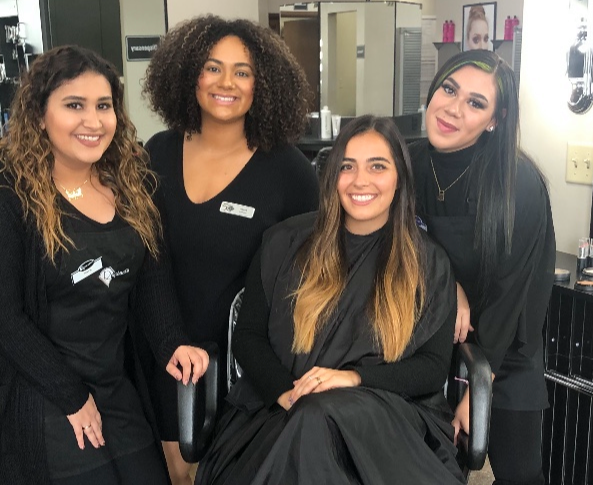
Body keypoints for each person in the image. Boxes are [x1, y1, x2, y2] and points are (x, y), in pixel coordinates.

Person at [0, 45, 208, 485]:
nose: (93, 121)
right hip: (38, 391)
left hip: (112, 386)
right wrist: (71, 396)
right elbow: (0, 316)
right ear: (39, 114)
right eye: (74, 105)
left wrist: (173, 342)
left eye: (103, 106)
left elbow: (152, 281)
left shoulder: (134, 186)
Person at [195, 115, 465, 485]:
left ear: (400, 176)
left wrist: (353, 378)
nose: (360, 181)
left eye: (378, 166)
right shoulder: (284, 244)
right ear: (332, 176)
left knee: (314, 421)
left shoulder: (428, 264)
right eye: (347, 166)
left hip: (386, 418)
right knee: (310, 423)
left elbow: (432, 367)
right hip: (283, 407)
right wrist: (287, 395)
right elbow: (249, 337)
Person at [142, 15, 319, 484]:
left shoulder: (290, 171)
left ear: (263, 84)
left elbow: (316, 275)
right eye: (212, 67)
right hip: (155, 354)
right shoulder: (154, 154)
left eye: (242, 72)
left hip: (241, 374)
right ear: (187, 74)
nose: (226, 83)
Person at [409, 50, 555, 485]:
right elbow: (397, 240)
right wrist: (448, 283)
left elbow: (515, 290)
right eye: (449, 89)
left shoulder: (518, 184)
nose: (453, 108)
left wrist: (480, 383)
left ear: (495, 120)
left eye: (476, 103)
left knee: (519, 472)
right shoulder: (408, 162)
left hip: (507, 344)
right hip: (432, 331)